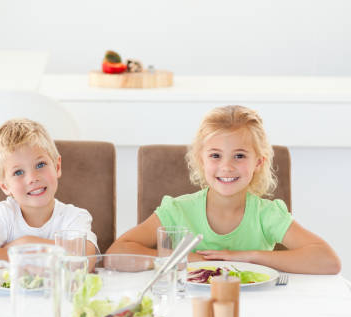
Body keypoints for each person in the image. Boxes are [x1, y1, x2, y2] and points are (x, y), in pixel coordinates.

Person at [108, 105, 341, 274]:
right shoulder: (178, 211)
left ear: (258, 162)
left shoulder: (266, 214)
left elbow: (328, 261)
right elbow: (116, 255)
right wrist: (191, 259)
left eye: (239, 156)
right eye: (215, 155)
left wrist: (248, 258)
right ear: (201, 160)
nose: (226, 166)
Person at [0, 118, 98, 272]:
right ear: (4, 186)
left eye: (40, 165)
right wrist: (56, 252)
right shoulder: (2, 214)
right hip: (10, 295)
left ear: (57, 166)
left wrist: (23, 245)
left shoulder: (75, 216)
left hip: (57, 295)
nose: (32, 178)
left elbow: (83, 259)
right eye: (18, 172)